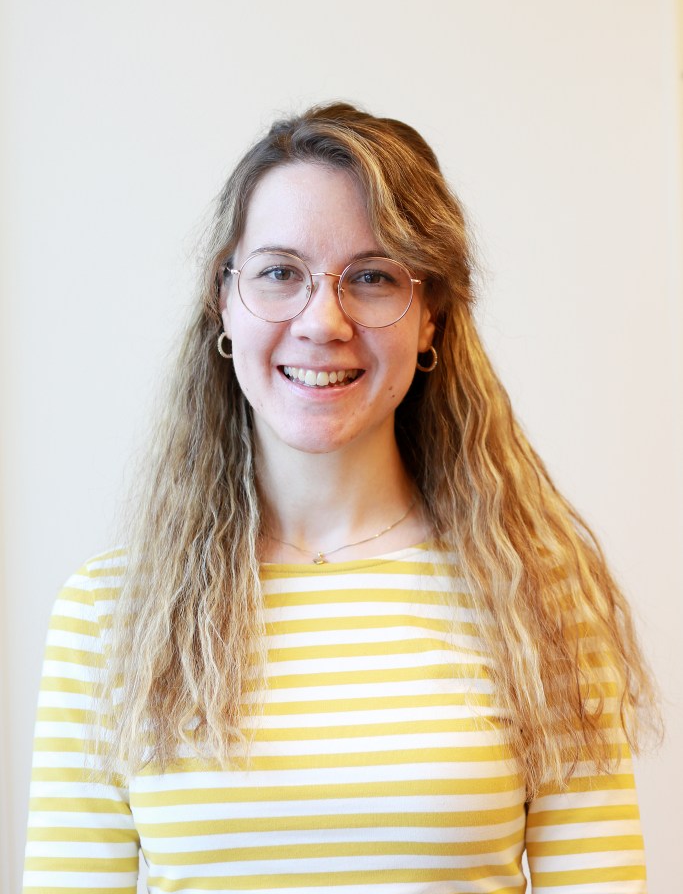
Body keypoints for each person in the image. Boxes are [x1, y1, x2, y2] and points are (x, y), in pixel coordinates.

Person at [23, 103, 657, 892]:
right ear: (224, 301)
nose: (322, 321)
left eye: (372, 277)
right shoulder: (109, 614)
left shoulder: (540, 598)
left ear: (430, 318)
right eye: (279, 273)